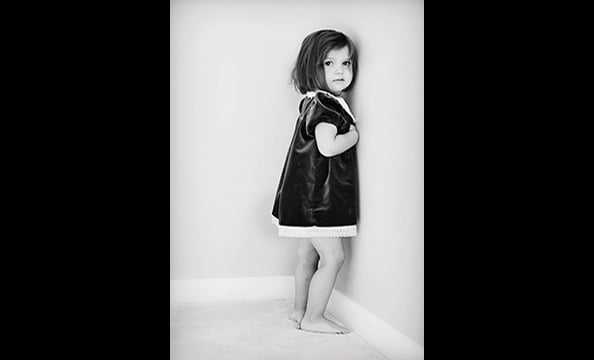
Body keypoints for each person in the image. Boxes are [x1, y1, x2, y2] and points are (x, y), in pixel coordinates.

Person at [271, 29, 359, 335]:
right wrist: (353, 135)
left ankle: (298, 311)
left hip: (299, 195)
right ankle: (313, 318)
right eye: (329, 64)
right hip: (315, 200)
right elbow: (327, 146)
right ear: (313, 68)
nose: (339, 71)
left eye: (346, 63)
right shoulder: (326, 107)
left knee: (308, 254)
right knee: (334, 257)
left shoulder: (312, 102)